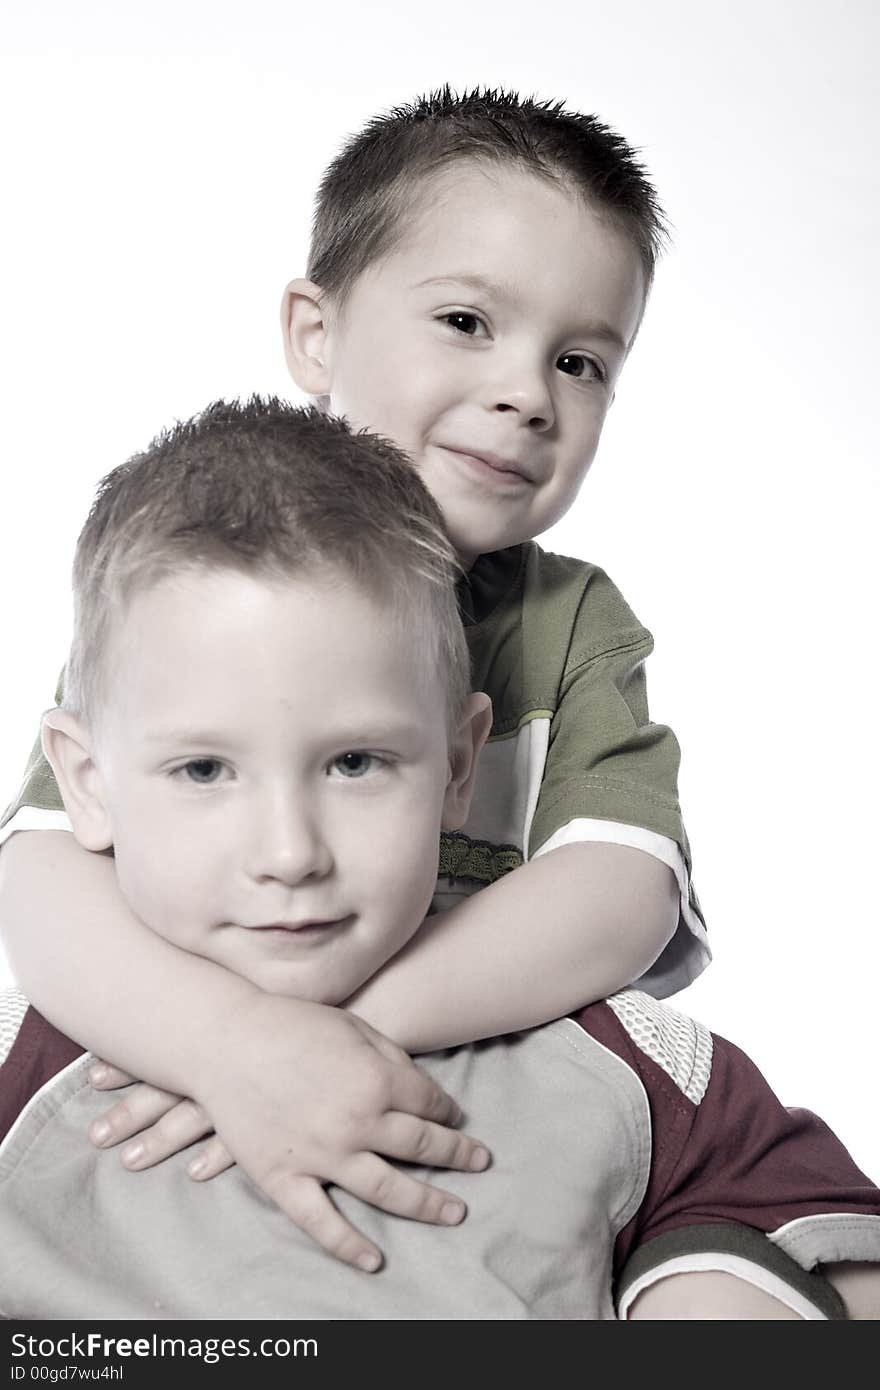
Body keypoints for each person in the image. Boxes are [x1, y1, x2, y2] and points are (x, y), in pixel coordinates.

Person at [0, 91, 867, 1313]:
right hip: (217, 1056)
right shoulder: (192, 574)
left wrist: (352, 1030)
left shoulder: (567, 620)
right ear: (315, 331)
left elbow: (619, 887)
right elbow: (43, 878)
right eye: (466, 321)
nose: (526, 392)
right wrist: (229, 1044)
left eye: (579, 360)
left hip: (494, 1074)